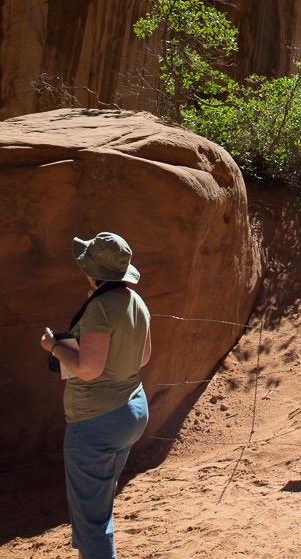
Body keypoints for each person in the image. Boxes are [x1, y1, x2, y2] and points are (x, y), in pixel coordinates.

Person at [40, 231, 152, 559]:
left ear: (92, 272)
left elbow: (88, 370)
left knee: (91, 521)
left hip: (96, 421)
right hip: (132, 409)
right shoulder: (137, 301)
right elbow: (143, 357)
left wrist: (55, 346)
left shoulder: (100, 307)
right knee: (99, 507)